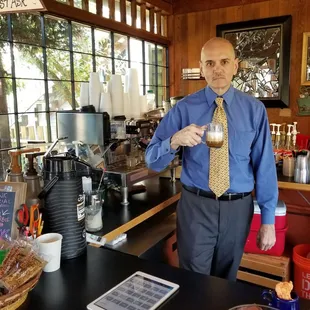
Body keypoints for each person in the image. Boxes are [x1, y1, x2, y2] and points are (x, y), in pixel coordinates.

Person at [145, 37, 278, 281]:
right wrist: (174, 140)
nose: (217, 69)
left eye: (224, 62)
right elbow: (152, 160)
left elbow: (265, 168)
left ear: (235, 66)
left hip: (238, 209)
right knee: (193, 283)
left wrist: (268, 221)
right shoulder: (183, 109)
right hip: (196, 208)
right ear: (202, 67)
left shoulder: (254, 110)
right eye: (210, 63)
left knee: (226, 283)